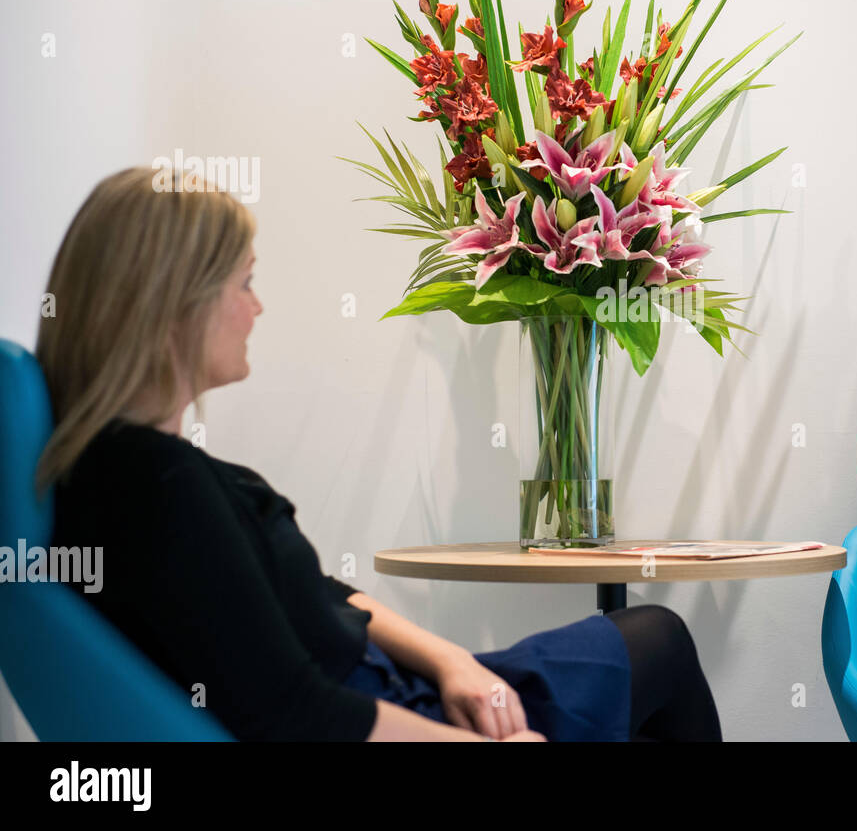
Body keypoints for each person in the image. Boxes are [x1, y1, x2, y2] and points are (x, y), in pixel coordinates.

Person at [37, 165, 722, 742]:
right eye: (244, 283)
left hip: (401, 690)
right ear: (174, 305)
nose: (259, 308)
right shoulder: (161, 487)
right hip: (381, 717)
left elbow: (310, 596)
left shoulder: (127, 470)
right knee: (659, 642)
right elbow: (298, 711)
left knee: (655, 637)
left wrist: (453, 661)